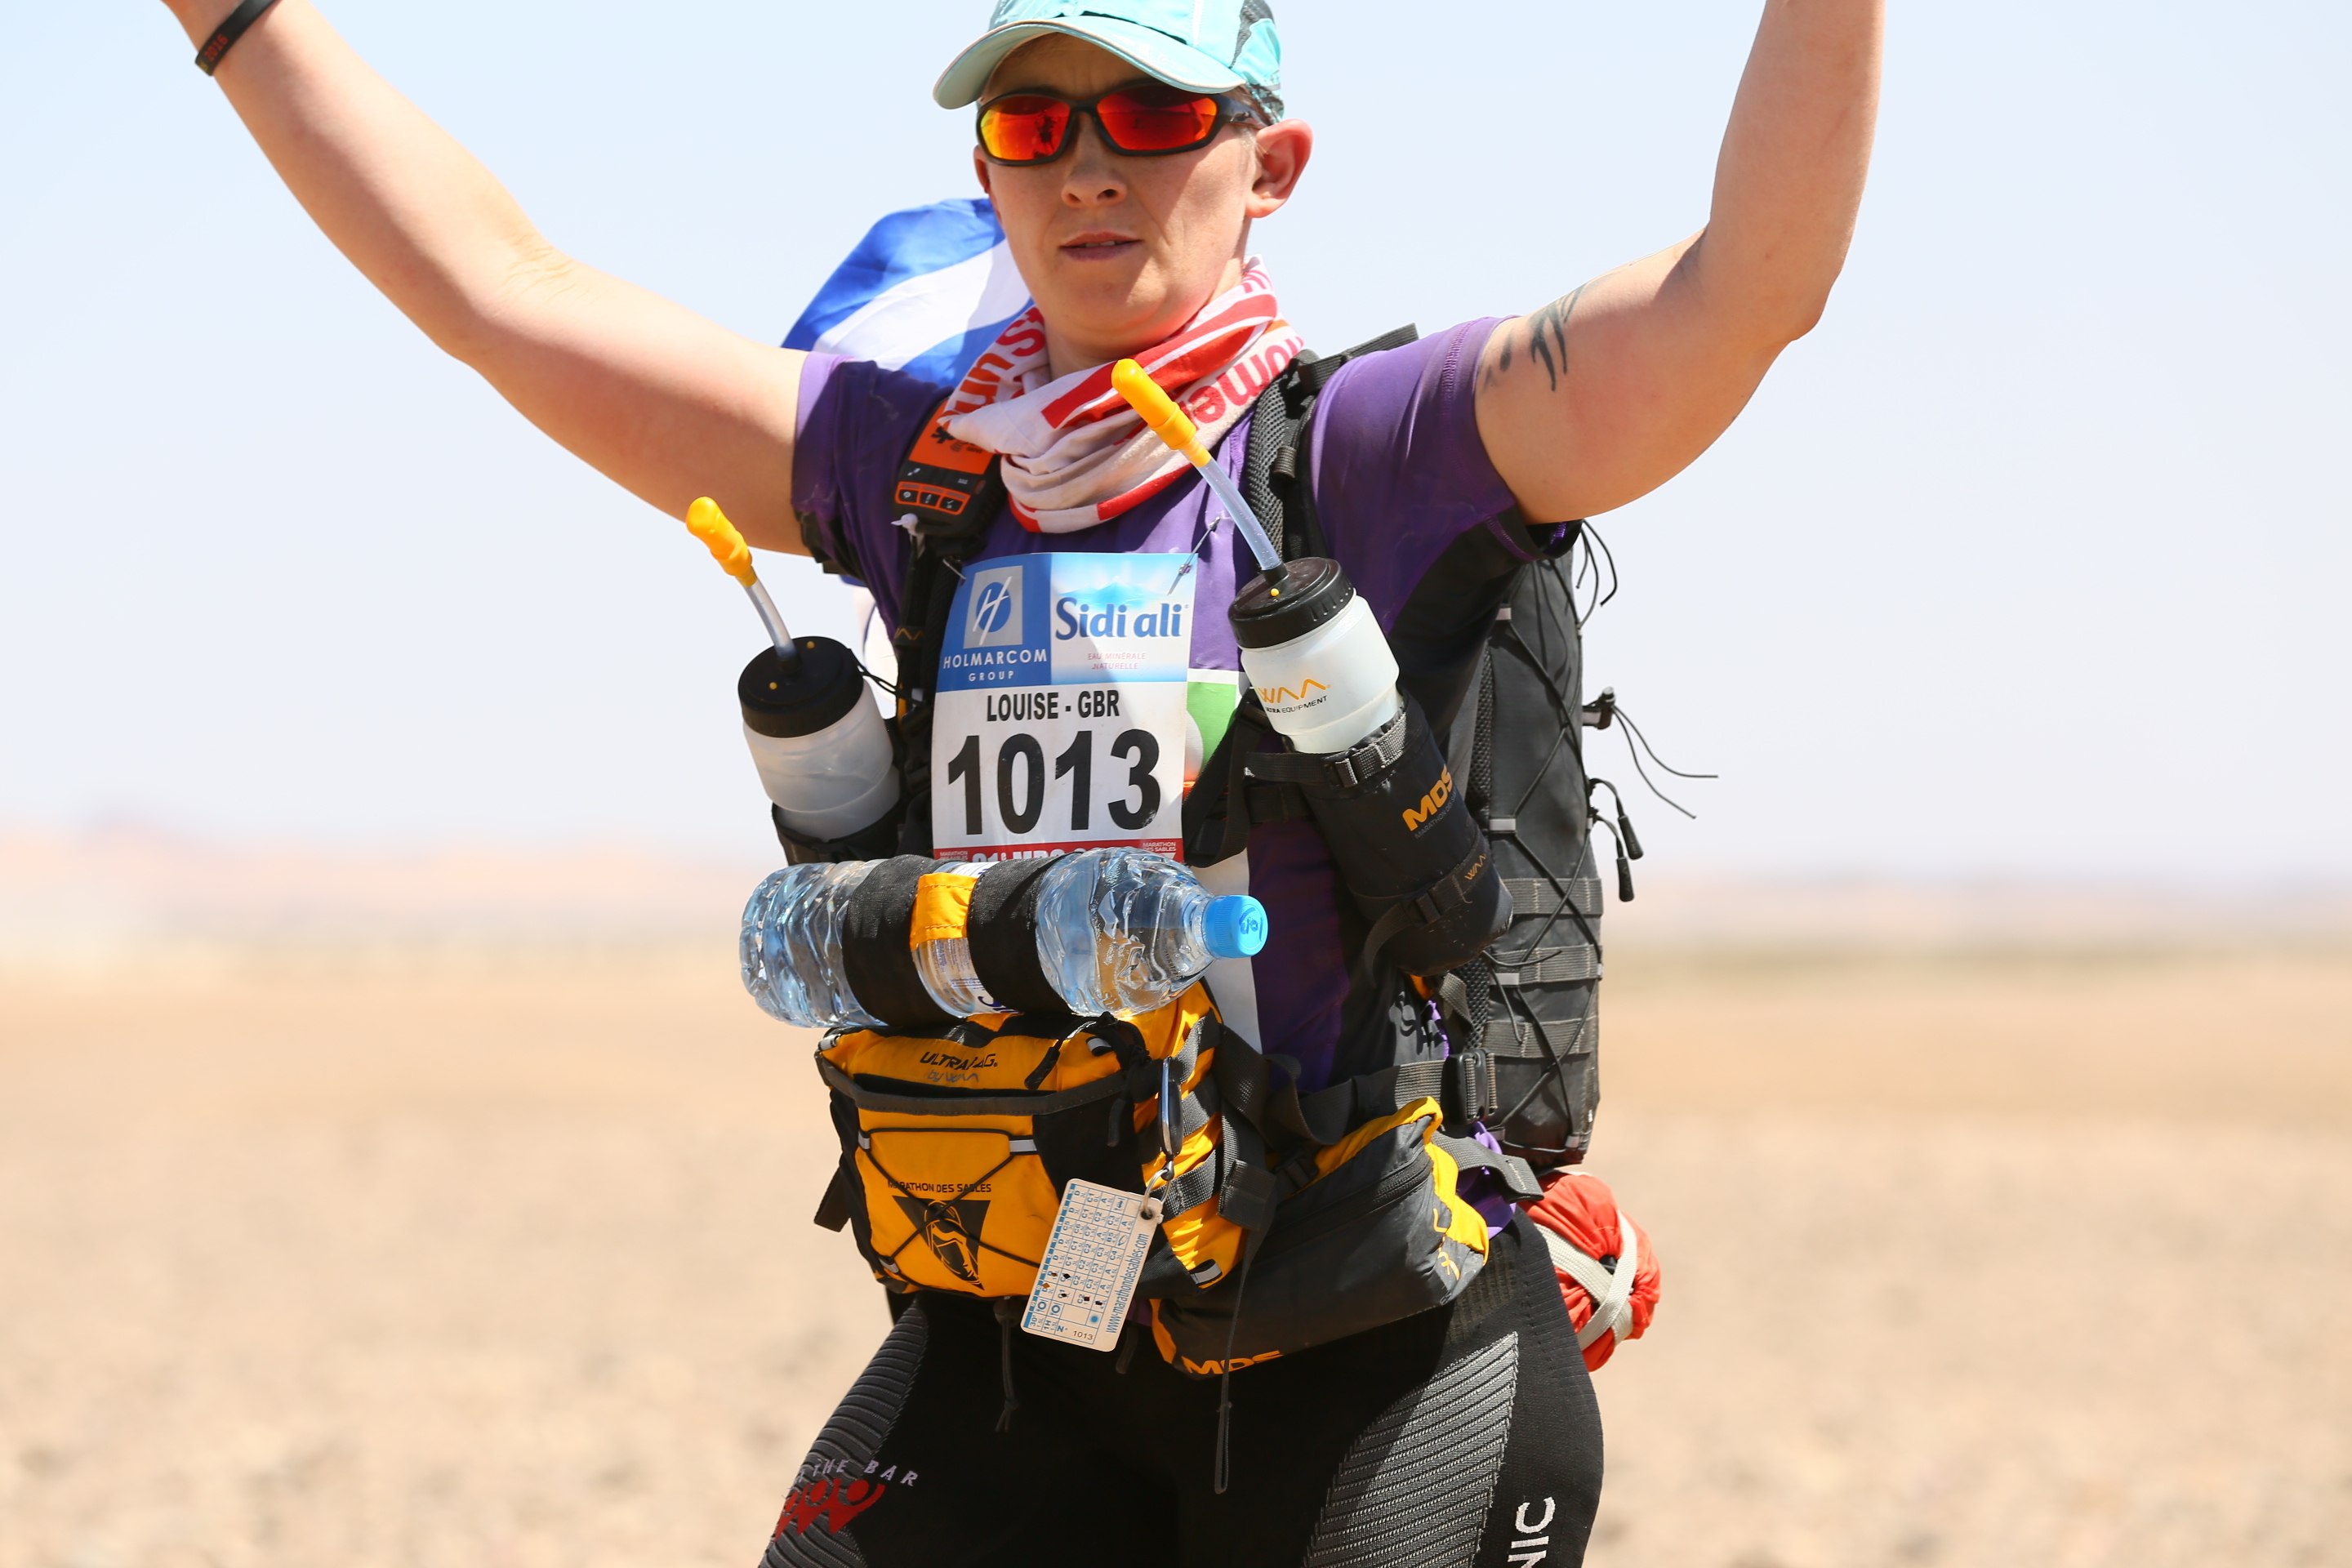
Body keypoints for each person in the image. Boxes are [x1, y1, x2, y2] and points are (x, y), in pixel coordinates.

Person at [159, 0, 1880, 1562]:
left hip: (1378, 1359)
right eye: (1031, 126)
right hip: (1035, 1334)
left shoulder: (1372, 448)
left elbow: (1749, 295)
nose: (1083, 167)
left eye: (1145, 117)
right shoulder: (924, 474)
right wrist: (232, 20)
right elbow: (503, 295)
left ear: (1265, 162)